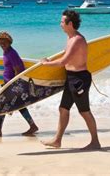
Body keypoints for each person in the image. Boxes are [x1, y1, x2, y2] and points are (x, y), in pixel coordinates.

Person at [40, 10, 101, 150]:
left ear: (70, 24)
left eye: (62, 22)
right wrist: (50, 60)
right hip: (71, 78)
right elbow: (66, 58)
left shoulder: (77, 40)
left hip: (79, 80)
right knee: (63, 109)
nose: (60, 24)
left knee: (84, 111)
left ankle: (95, 142)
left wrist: (46, 64)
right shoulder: (70, 38)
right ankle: (57, 140)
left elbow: (63, 61)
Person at [0, 31, 39, 137]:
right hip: (9, 83)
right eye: (0, 42)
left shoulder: (11, 53)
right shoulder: (6, 52)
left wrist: (12, 86)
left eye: (4, 42)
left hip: (13, 85)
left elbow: (18, 69)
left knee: (1, 104)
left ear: (9, 42)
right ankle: (32, 126)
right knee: (20, 106)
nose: (2, 44)